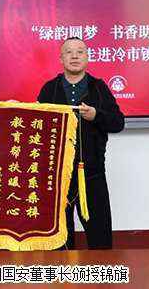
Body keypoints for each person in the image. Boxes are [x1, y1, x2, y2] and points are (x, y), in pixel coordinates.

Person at [37, 37, 125, 250]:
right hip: (57, 177)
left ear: (87, 57)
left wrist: (96, 115)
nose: (74, 56)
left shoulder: (99, 88)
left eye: (79, 52)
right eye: (69, 52)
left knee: (100, 236)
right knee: (59, 240)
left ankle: (101, 272)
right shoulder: (50, 89)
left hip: (92, 175)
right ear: (61, 59)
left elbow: (118, 123)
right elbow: (37, 131)